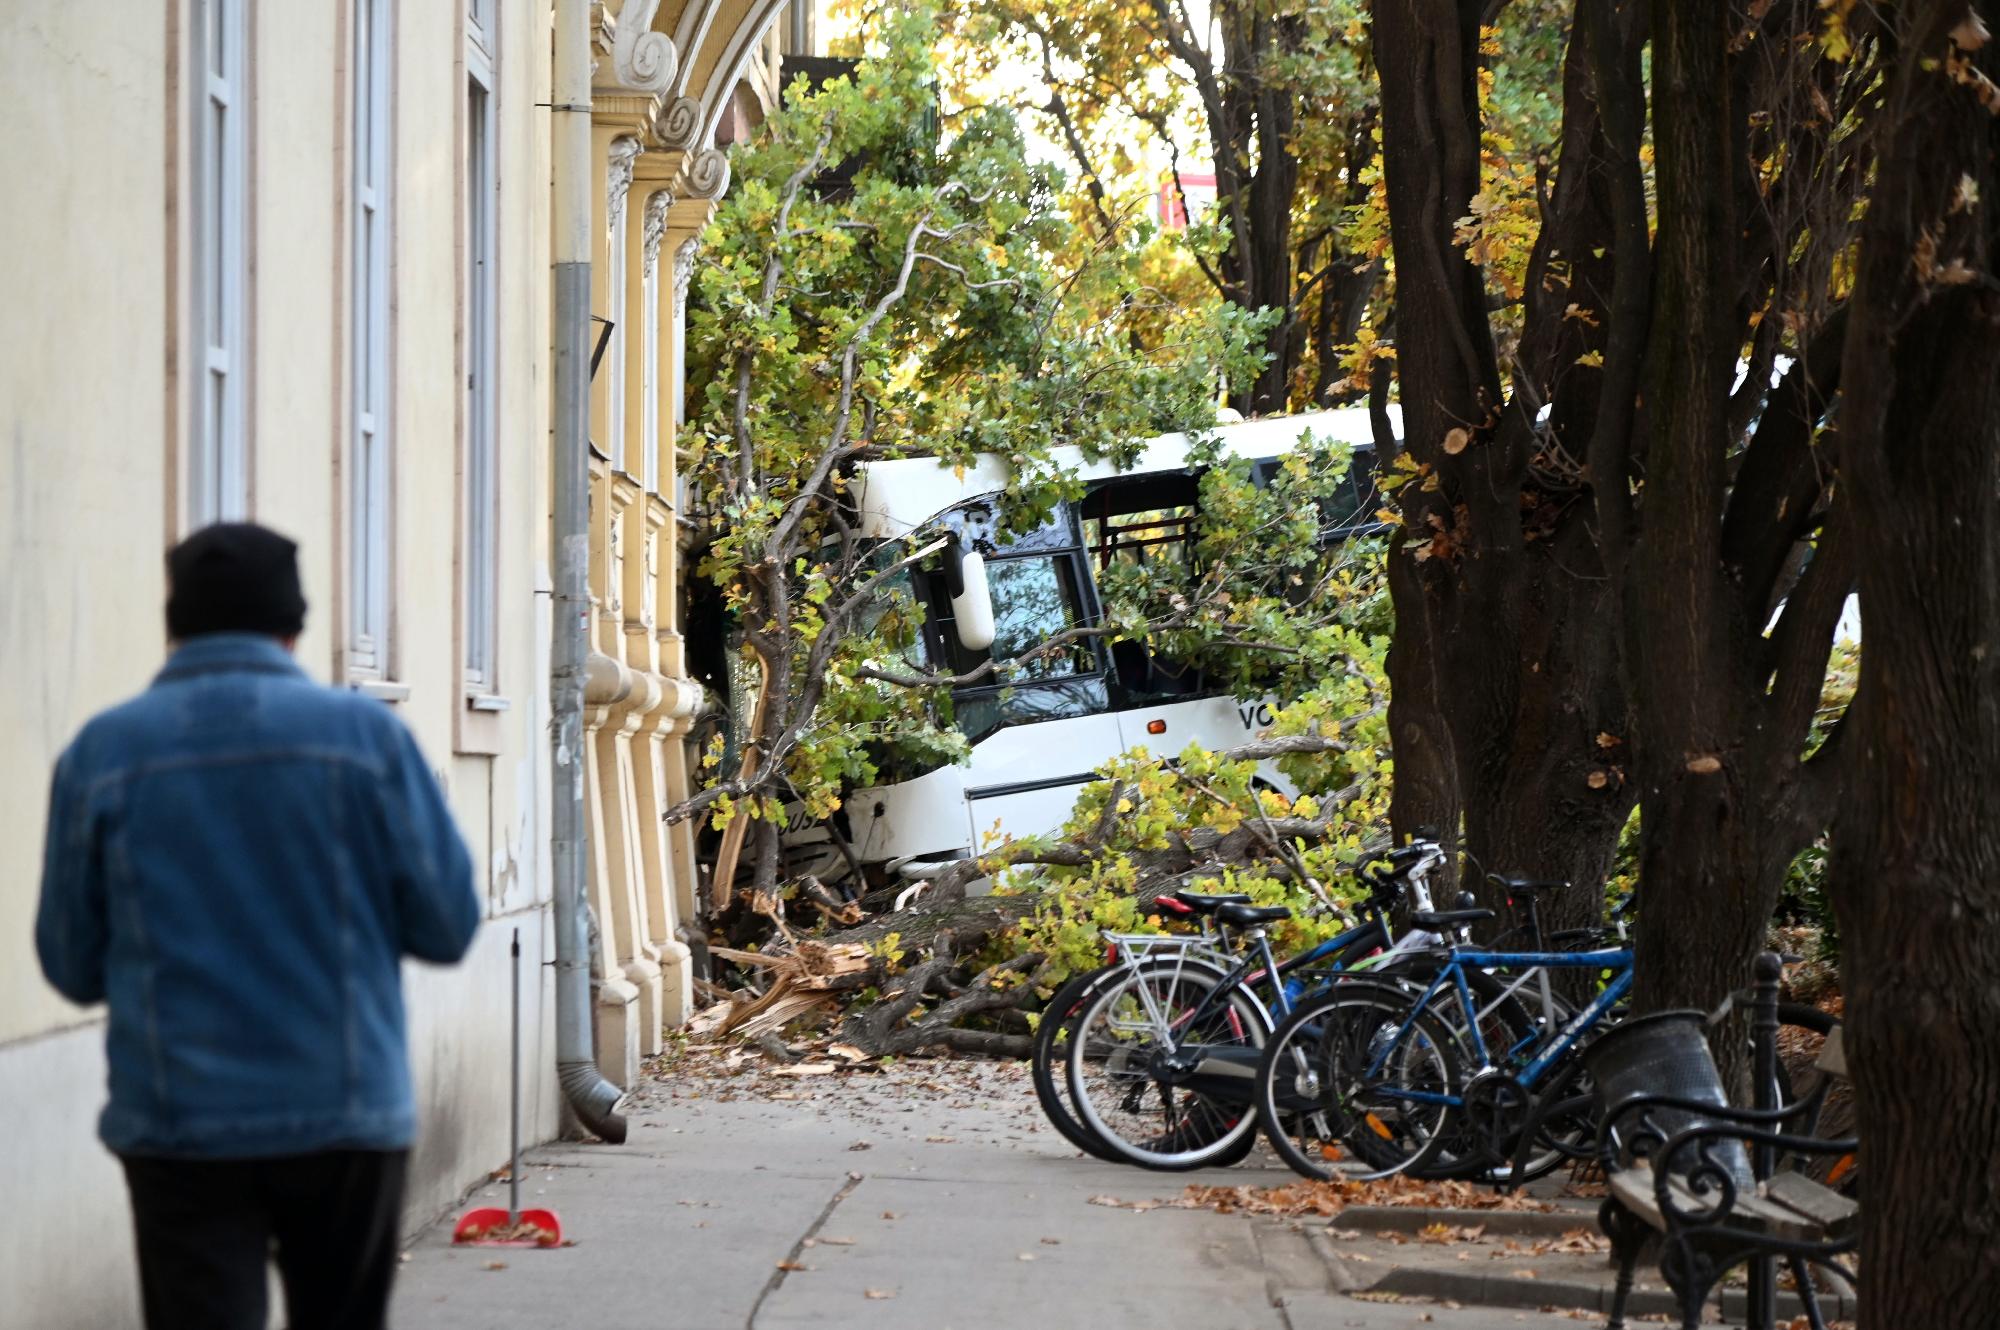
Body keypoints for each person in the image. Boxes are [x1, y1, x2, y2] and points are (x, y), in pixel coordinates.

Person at [35, 523, 481, 1330]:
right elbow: (447, 927)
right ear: (295, 623)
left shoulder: (103, 753)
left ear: (176, 623)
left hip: (180, 1124)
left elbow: (68, 962)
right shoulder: (368, 740)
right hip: (346, 1115)